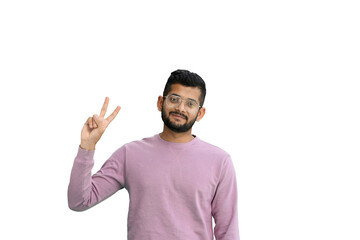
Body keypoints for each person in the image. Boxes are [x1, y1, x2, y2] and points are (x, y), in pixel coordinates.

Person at [68, 69, 240, 240]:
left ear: (200, 113)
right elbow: (79, 201)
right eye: (174, 99)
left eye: (190, 103)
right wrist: (87, 146)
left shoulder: (219, 161)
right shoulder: (130, 154)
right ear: (160, 102)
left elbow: (228, 232)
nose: (180, 108)